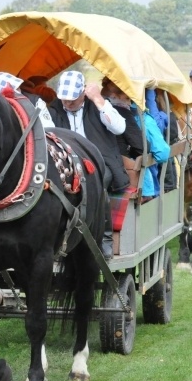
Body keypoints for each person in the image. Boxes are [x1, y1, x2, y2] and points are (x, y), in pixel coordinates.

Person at [47, 70, 129, 258]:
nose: (67, 103)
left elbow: (119, 127)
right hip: (65, 162)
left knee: (97, 185)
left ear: (83, 93)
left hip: (100, 162)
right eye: (64, 99)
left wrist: (99, 100)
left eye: (72, 99)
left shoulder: (98, 106)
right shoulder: (53, 110)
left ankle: (105, 239)